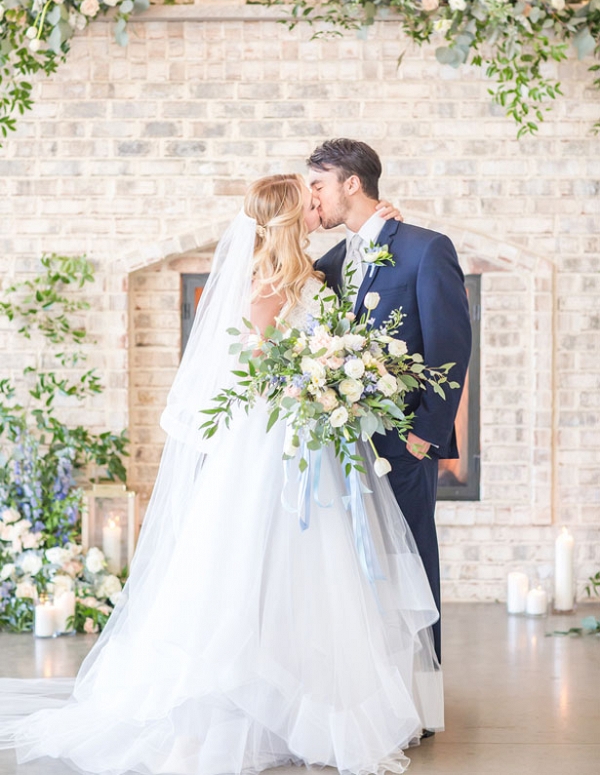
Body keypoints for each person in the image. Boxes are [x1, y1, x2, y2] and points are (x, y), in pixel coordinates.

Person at [0, 175, 443, 775]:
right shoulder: (264, 284)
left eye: (320, 195)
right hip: (269, 445)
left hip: (312, 440)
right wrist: (310, 383)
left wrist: (381, 225)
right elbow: (260, 365)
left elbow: (352, 277)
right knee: (250, 569)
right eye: (310, 202)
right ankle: (235, 701)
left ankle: (299, 705)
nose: (319, 206)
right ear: (290, 219)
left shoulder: (317, 272)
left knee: (312, 575)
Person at [310, 140, 472, 665]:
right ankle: (374, 685)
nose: (314, 199)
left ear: (350, 184)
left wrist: (426, 433)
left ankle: (422, 691)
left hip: (405, 442)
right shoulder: (332, 260)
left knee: (410, 562)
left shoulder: (427, 248)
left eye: (319, 185)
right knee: (357, 567)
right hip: (344, 443)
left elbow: (451, 344)